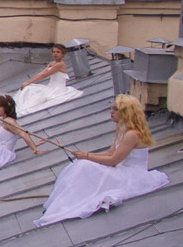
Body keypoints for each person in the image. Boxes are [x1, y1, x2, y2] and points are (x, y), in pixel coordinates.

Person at [35, 95, 168, 227]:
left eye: (116, 109)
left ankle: (67, 204)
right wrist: (85, 156)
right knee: (81, 165)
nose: (111, 111)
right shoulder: (123, 130)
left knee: (85, 166)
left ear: (126, 112)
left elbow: (114, 160)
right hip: (121, 170)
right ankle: (61, 203)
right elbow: (110, 152)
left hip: (131, 175)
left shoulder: (131, 135)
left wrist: (87, 156)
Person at [12, 44, 82, 116]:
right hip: (50, 87)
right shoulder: (52, 63)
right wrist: (27, 82)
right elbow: (41, 73)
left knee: (31, 91)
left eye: (58, 52)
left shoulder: (60, 64)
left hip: (57, 90)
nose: (55, 54)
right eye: (54, 52)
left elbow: (44, 75)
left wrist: (28, 82)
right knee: (29, 88)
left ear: (63, 54)